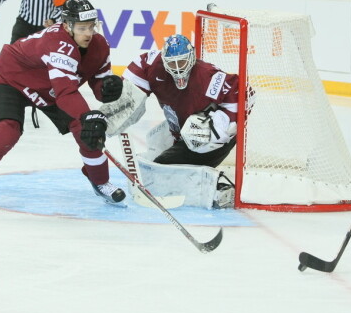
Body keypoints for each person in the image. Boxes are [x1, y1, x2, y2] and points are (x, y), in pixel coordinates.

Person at [0, 0, 127, 207]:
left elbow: (98, 83)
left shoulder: (100, 46)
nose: (88, 33)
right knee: (7, 131)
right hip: (13, 79)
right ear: (67, 26)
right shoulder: (58, 44)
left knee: (86, 130)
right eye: (82, 28)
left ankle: (100, 182)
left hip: (50, 89)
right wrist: (88, 115)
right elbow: (65, 91)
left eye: (91, 26)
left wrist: (107, 88)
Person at [103, 34, 248, 208]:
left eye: (182, 62)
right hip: (180, 130)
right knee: (154, 141)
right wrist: (105, 120)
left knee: (161, 171)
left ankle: (218, 190)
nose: (178, 69)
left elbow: (246, 93)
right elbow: (131, 87)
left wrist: (219, 126)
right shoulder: (153, 65)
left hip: (205, 138)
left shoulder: (207, 76)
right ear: (164, 60)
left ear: (192, 58)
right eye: (172, 63)